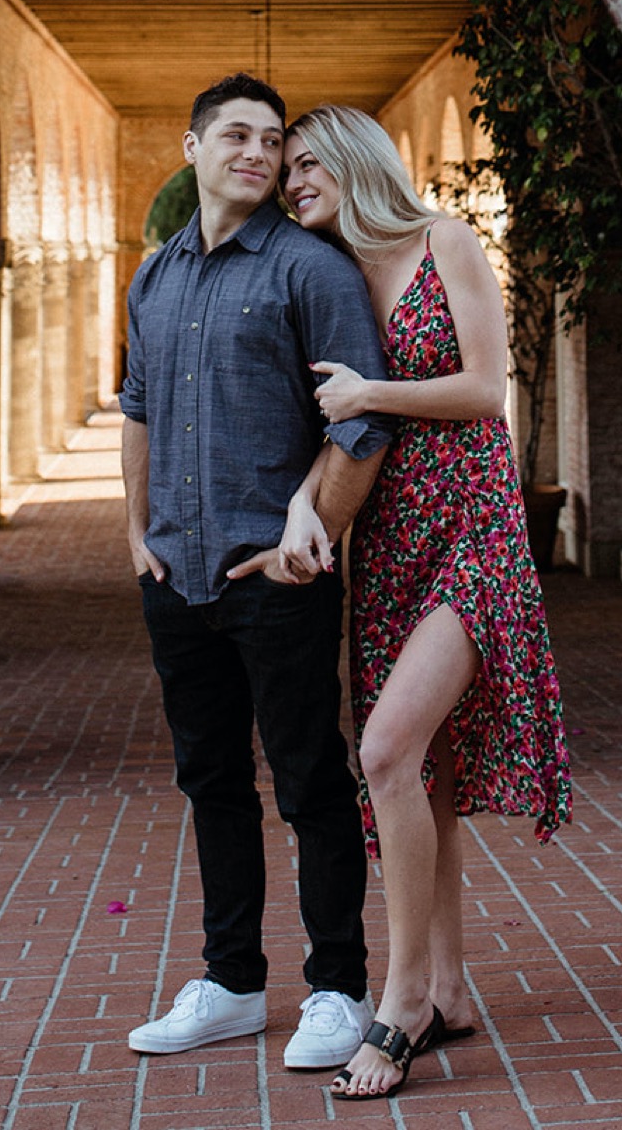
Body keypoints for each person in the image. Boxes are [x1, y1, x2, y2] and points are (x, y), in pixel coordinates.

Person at [269, 103, 572, 1101]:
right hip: (391, 543)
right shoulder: (331, 276)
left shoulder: (447, 241)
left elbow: (487, 388)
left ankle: (396, 1001)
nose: (293, 179)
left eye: (308, 161)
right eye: (286, 170)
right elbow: (319, 421)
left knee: (387, 749)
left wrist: (372, 394)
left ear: (355, 160)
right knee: (425, 773)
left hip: (476, 531)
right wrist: (298, 504)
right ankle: (448, 984)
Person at [121, 72, 400, 1073]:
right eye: (234, 133)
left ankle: (338, 985)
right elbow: (138, 408)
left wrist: (307, 535)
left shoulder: (310, 270)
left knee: (309, 778)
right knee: (210, 781)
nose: (258, 150)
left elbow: (362, 422)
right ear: (191, 144)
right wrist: (134, 530)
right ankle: (233, 981)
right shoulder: (153, 277)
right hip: (178, 576)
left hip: (276, 576)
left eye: (272, 138)